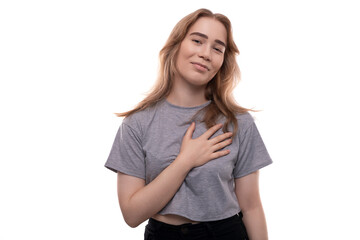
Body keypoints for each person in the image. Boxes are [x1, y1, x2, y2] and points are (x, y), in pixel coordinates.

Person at [105, 8, 272, 240]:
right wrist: (186, 161)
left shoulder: (239, 123)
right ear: (176, 46)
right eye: (197, 41)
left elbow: (252, 207)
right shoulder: (137, 124)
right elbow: (132, 215)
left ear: (223, 61)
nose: (206, 54)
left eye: (217, 48)